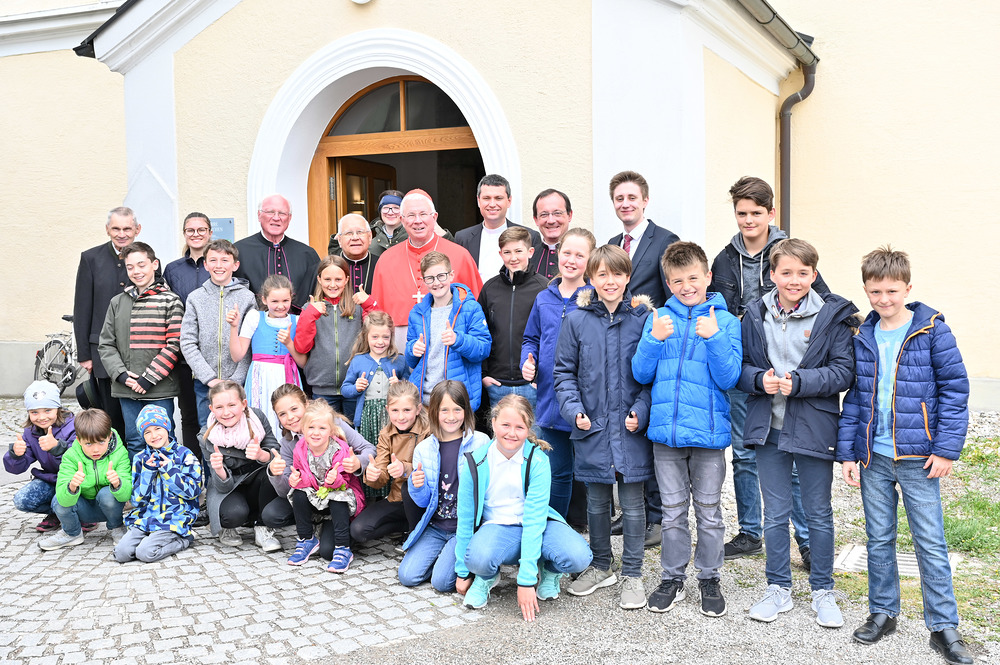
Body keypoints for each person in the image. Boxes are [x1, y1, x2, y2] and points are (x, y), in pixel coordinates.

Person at [838, 246, 973, 665]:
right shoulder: (862, 334)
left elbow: (955, 390)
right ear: (865, 290)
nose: (883, 299)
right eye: (875, 291)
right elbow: (857, 399)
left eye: (891, 291)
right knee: (878, 537)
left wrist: (947, 448)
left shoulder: (933, 330)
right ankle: (883, 612)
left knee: (929, 542)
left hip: (919, 457)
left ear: (907, 288)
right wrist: (847, 453)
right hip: (873, 457)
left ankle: (943, 626)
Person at [739, 239, 856, 627]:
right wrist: (759, 379)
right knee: (775, 514)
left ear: (814, 275)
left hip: (813, 427)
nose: (794, 280)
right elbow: (739, 368)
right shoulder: (755, 314)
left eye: (802, 273)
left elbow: (844, 371)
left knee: (818, 513)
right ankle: (778, 589)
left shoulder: (831, 316)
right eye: (785, 273)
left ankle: (823, 591)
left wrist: (801, 382)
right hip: (768, 427)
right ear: (771, 275)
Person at [710, 176, 825, 564]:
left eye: (755, 213)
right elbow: (717, 309)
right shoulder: (725, 258)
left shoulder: (789, 253)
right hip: (746, 368)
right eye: (741, 213)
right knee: (744, 452)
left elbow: (822, 302)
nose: (747, 220)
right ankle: (749, 532)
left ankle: (806, 539)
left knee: (789, 451)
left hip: (789, 371)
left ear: (770, 214)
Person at [631, 242, 742, 615]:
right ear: (668, 281)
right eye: (677, 280)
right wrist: (652, 339)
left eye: (693, 278)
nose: (686, 286)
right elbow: (641, 373)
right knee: (673, 511)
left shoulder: (724, 321)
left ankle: (709, 578)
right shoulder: (659, 318)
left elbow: (729, 378)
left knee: (709, 512)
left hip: (708, 436)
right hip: (667, 435)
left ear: (707, 277)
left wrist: (714, 337)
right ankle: (672, 578)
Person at [553, 245, 654, 610]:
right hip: (592, 426)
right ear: (591, 279)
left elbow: (652, 377)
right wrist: (574, 409)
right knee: (596, 500)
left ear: (627, 278)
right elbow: (563, 372)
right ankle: (600, 564)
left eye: (616, 274)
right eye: (602, 275)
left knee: (632, 502)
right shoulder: (577, 320)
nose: (609, 281)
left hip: (630, 428)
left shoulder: (643, 320)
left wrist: (641, 411)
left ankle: (633, 573)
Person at [454, 395, 593, 620]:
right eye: (505, 425)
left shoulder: (538, 461)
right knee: (477, 559)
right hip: (497, 526)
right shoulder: (475, 461)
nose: (511, 433)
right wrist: (462, 571)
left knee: (579, 556)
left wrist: (526, 580)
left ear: (528, 428)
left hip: (535, 524)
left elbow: (535, 519)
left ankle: (549, 570)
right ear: (493, 422)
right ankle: (487, 576)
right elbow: (466, 518)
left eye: (519, 427)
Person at [607, 170, 680, 543]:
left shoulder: (666, 241)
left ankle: (657, 519)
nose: (626, 204)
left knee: (648, 428)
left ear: (645, 200)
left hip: (655, 347)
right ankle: (631, 511)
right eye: (619, 199)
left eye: (632, 198)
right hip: (619, 348)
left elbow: (676, 296)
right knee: (626, 428)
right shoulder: (611, 243)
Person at [521, 228, 596, 524]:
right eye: (567, 253)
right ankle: (556, 531)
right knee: (558, 472)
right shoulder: (544, 298)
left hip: (585, 401)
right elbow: (531, 338)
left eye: (580, 255)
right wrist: (528, 362)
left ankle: (594, 537)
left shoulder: (594, 299)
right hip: (550, 401)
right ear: (557, 255)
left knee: (590, 473)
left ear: (589, 262)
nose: (572, 260)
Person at [261, 384, 375, 559]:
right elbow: (286, 492)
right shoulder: (287, 442)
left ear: (306, 405)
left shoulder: (331, 424)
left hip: (338, 497)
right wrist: (277, 475)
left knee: (328, 551)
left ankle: (333, 528)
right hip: (310, 496)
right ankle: (310, 529)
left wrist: (357, 463)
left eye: (294, 409)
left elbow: (369, 448)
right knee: (271, 514)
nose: (290, 417)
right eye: (282, 414)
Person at [397, 381, 490, 592]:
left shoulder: (481, 443)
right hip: (436, 527)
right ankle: (443, 557)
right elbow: (422, 501)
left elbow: (488, 489)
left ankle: (466, 561)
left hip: (463, 529)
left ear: (466, 410)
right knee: (407, 576)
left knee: (441, 583)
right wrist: (416, 485)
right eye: (444, 410)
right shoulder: (424, 448)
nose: (451, 416)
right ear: (434, 412)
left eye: (457, 409)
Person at [98, 242, 183, 459]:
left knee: (164, 438)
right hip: (127, 387)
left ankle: (168, 488)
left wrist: (148, 378)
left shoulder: (170, 301)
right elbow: (106, 343)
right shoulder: (118, 302)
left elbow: (175, 343)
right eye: (130, 267)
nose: (136, 271)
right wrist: (122, 374)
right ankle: (139, 489)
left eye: (141, 265)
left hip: (159, 387)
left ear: (154, 265)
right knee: (135, 439)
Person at [370, 189, 483, 349]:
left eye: (423, 214)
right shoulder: (386, 259)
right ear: (402, 220)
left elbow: (477, 310)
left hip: (449, 346)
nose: (417, 221)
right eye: (410, 215)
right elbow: (376, 315)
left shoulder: (460, 255)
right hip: (399, 347)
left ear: (434, 217)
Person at [73, 206, 145, 440]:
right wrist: (84, 354)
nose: (122, 233)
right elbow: (82, 308)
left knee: (137, 419)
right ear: (107, 229)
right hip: (101, 354)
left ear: (137, 230)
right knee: (109, 417)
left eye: (127, 228)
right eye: (116, 228)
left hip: (138, 351)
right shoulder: (91, 258)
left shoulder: (148, 260)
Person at [280, 400, 367, 573]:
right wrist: (297, 479)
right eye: (311, 428)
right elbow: (304, 475)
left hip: (340, 492)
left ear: (331, 431)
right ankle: (306, 539)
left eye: (322, 428)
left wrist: (334, 480)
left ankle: (343, 548)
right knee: (297, 492)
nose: (316, 433)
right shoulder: (300, 447)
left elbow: (345, 482)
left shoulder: (339, 449)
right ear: (303, 429)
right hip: (317, 493)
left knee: (337, 498)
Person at [180, 239, 256, 432]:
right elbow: (188, 342)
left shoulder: (247, 298)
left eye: (225, 260)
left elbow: (250, 343)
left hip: (237, 383)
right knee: (208, 431)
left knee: (240, 431)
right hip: (205, 384)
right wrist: (209, 378)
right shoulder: (195, 298)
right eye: (213, 260)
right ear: (205, 264)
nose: (219, 265)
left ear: (235, 265)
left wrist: (236, 378)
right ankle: (209, 464)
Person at [114, 405, 203, 563]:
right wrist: (147, 472)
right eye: (147, 432)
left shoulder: (185, 455)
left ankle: (184, 539)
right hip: (147, 517)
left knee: (145, 553)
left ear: (167, 427)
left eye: (157, 428)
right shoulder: (140, 459)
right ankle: (150, 538)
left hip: (173, 517)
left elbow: (193, 491)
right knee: (121, 554)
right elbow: (136, 500)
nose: (153, 435)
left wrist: (169, 469)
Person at [200, 381, 282, 551]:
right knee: (233, 515)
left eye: (232, 405)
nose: (226, 412)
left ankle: (262, 526)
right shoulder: (206, 435)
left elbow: (276, 452)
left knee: (271, 471)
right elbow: (223, 486)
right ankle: (228, 528)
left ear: (243, 404)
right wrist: (219, 469)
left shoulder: (256, 417)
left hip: (257, 481)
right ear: (212, 409)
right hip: (230, 486)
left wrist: (261, 454)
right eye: (220, 407)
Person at [405, 252, 492, 411]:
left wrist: (458, 340)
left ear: (451, 275)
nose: (436, 283)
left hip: (455, 401)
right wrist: (413, 350)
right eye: (430, 278)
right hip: (424, 401)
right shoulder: (417, 312)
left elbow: (483, 349)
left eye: (441, 276)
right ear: (424, 281)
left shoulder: (470, 308)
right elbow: (411, 361)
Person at [294, 255, 375, 417]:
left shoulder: (357, 308)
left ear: (346, 279)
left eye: (338, 279)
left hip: (354, 385)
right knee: (326, 433)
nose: (332, 285)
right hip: (322, 389)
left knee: (354, 433)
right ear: (319, 279)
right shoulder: (309, 308)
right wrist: (310, 314)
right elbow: (302, 347)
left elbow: (380, 333)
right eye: (327, 279)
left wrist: (370, 304)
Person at [39, 409, 132, 551]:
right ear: (78, 440)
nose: (96, 449)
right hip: (83, 509)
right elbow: (63, 500)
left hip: (109, 508)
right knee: (58, 498)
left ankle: (117, 528)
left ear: (110, 436)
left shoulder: (120, 453)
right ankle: (72, 533)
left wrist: (118, 483)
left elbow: (126, 495)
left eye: (101, 442)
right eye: (88, 444)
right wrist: (72, 487)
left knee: (107, 494)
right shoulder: (71, 456)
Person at [478, 227, 548, 411]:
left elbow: (551, 336)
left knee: (535, 440)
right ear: (500, 254)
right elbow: (480, 332)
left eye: (518, 251)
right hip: (497, 384)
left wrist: (541, 376)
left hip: (532, 384)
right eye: (507, 252)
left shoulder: (544, 289)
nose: (513, 257)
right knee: (502, 438)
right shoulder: (489, 289)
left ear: (530, 252)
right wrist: (485, 375)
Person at [352, 381, 430, 543]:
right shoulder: (386, 434)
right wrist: (373, 475)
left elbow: (433, 470)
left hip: (424, 499)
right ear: (388, 410)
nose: (401, 417)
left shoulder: (429, 430)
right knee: (359, 530)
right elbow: (381, 476)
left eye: (407, 410)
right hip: (397, 498)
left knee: (410, 487)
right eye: (395, 410)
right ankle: (406, 525)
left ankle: (418, 534)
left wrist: (405, 469)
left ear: (418, 409)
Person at [229, 275, 306, 436]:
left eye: (285, 301)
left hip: (287, 376)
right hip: (260, 376)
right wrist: (234, 328)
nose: (280, 306)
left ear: (291, 298)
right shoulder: (255, 317)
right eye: (275, 301)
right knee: (261, 416)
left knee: (289, 416)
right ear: (264, 300)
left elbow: (303, 362)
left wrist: (288, 344)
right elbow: (237, 355)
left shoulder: (298, 321)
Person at [164, 212, 213, 452]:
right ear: (184, 234)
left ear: (210, 233)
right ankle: (193, 466)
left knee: (215, 414)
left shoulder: (216, 264)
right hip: (184, 354)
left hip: (213, 352)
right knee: (189, 415)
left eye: (201, 229)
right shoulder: (173, 270)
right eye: (190, 230)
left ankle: (215, 469)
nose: (196, 234)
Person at [339, 311, 410, 479]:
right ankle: (370, 492)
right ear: (366, 336)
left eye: (385, 337)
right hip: (366, 417)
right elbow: (345, 389)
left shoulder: (399, 360)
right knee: (371, 452)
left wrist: (400, 386)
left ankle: (391, 490)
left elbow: (410, 388)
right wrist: (356, 387)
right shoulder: (358, 360)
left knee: (392, 451)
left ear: (391, 337)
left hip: (391, 417)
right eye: (375, 337)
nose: (380, 342)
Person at [4, 381, 77, 533]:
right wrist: (16, 455)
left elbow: (81, 461)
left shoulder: (74, 426)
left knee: (63, 500)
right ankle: (57, 514)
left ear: (58, 408)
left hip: (76, 481)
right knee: (21, 501)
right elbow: (16, 469)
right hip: (52, 480)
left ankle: (83, 515)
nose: (41, 417)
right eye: (34, 412)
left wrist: (57, 448)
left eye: (47, 410)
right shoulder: (30, 432)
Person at [234, 194, 321, 314]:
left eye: (282, 213)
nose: (276, 218)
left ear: (289, 218)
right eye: (270, 212)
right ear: (259, 215)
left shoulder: (307, 254)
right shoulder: (239, 251)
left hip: (298, 327)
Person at [454, 174, 540, 284]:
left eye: (498, 198)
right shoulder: (463, 238)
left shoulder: (530, 236)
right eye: (486, 198)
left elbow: (535, 279)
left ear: (509, 201)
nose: (492, 204)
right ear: (478, 201)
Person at [327, 213, 380, 298]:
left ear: (370, 237)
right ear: (339, 240)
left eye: (360, 232)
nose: (355, 238)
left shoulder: (381, 264)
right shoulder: (328, 267)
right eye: (349, 233)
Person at [529, 189, 573, 279]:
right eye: (544, 214)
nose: (551, 221)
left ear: (570, 215)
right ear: (536, 219)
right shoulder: (528, 258)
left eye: (557, 213)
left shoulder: (587, 255)